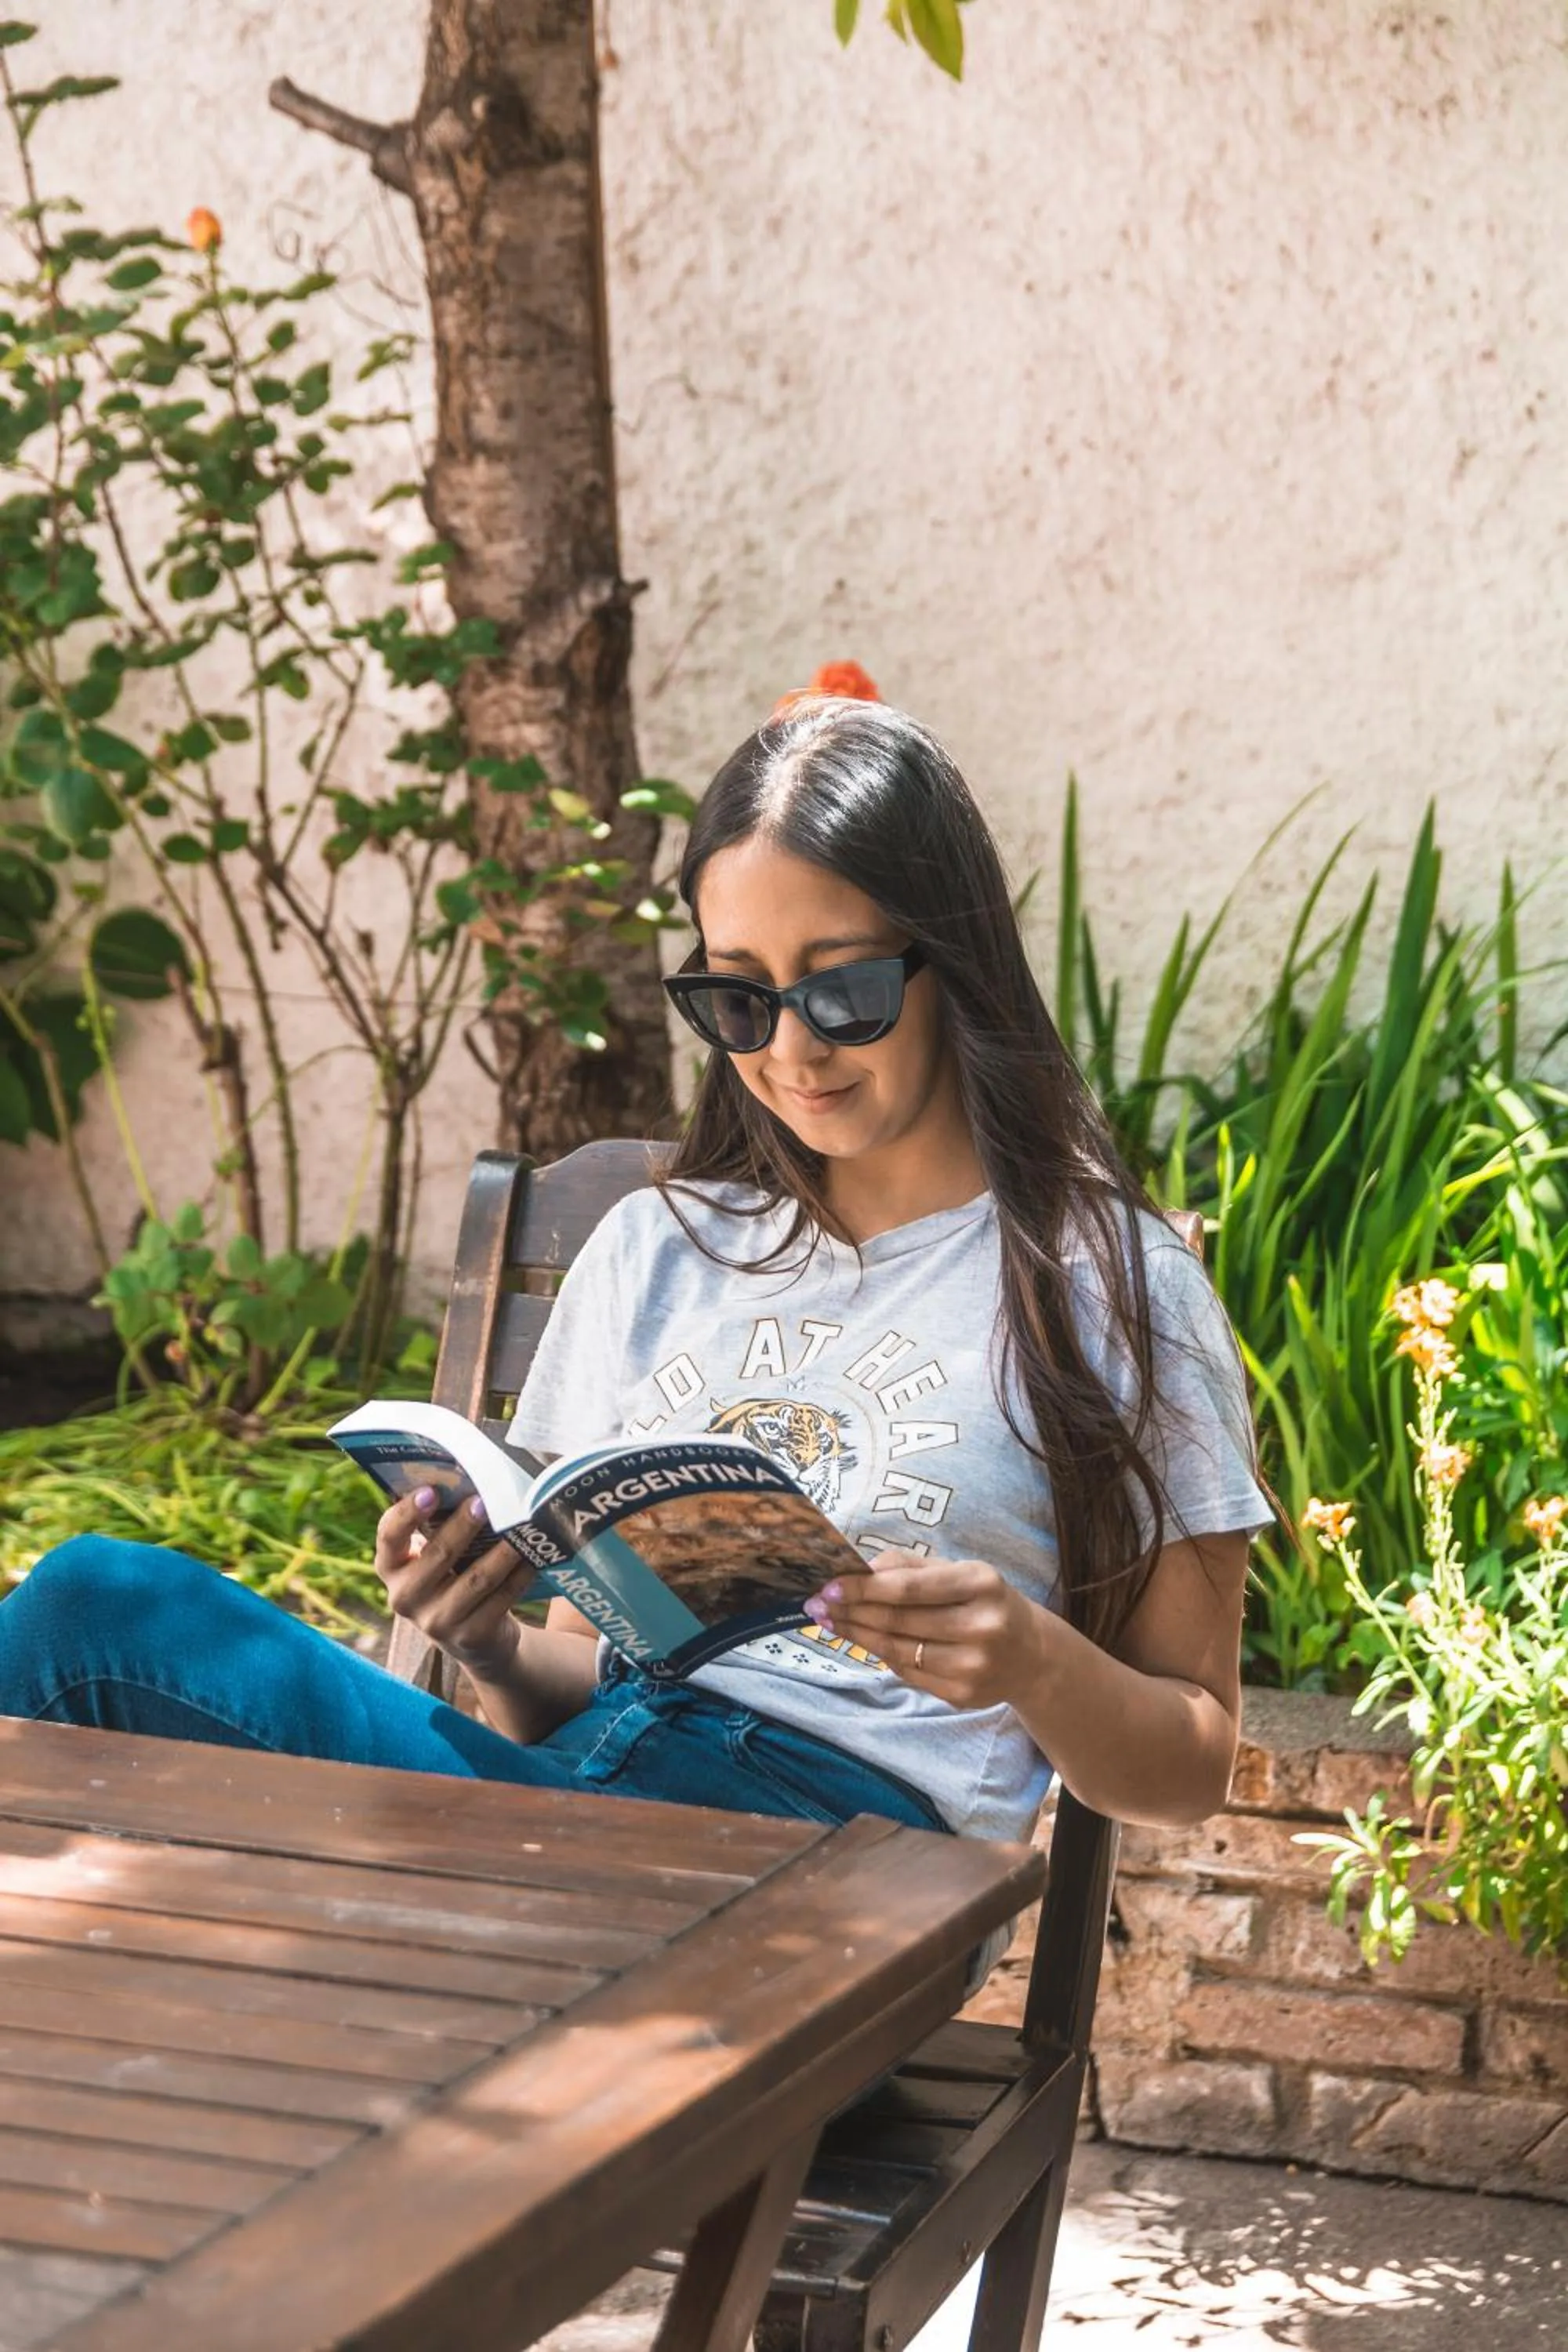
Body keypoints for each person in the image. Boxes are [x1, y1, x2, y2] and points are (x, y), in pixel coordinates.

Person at [0, 699, 1269, 1881]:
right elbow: (573, 1688)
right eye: (739, 995)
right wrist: (488, 1639)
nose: (792, 1046)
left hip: (834, 1871)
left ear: (956, 964)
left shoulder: (1108, 1283)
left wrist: (1037, 1663)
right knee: (93, 1608)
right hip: (586, 1807)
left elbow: (1193, 1762)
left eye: (846, 988)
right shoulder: (656, 1250)